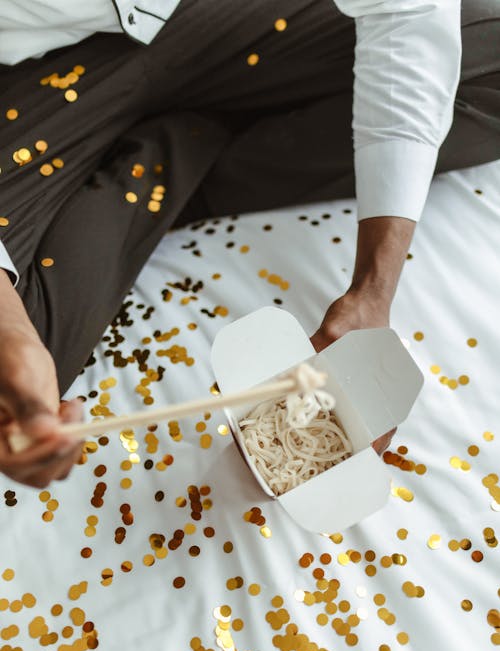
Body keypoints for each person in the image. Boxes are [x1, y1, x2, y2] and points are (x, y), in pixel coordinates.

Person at [0, 0, 498, 488]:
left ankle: (182, 149)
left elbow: (408, 11)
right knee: (22, 396)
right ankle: (180, 149)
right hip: (21, 73)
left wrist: (372, 292)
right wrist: (14, 338)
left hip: (198, 13)